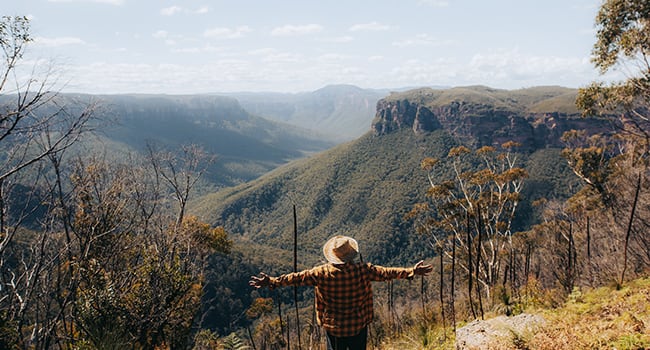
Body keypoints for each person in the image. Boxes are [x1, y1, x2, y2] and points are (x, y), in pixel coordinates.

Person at [249, 235, 433, 350]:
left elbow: (294, 278)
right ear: (351, 255)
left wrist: (272, 281)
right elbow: (386, 273)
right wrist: (411, 271)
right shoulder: (363, 270)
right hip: (358, 325)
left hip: (334, 328)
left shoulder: (319, 273)